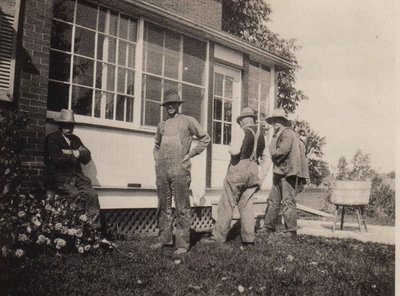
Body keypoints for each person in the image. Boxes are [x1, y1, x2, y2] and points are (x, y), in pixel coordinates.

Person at [151, 89, 210, 255]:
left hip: (180, 169)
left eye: (173, 104)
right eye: (167, 104)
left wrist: (190, 155)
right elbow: (156, 146)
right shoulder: (161, 125)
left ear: (178, 105)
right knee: (163, 205)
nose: (170, 107)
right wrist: (157, 160)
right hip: (162, 170)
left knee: (182, 206)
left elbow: (205, 138)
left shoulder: (188, 121)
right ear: (165, 106)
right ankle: (164, 239)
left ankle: (182, 244)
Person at [45, 109, 112, 246]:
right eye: (66, 125)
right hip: (60, 177)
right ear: (60, 125)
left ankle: (95, 232)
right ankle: (74, 232)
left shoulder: (75, 139)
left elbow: (87, 156)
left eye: (71, 125)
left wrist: (74, 153)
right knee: (74, 195)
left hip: (77, 176)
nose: (69, 128)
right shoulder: (52, 138)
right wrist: (74, 154)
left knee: (92, 195)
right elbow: (56, 159)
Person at [203, 107, 265, 246]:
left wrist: (230, 148)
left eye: (240, 121)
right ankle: (249, 239)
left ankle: (218, 237)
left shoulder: (241, 131)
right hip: (254, 168)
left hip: (239, 167)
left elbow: (235, 150)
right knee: (247, 205)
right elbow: (266, 158)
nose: (240, 124)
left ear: (243, 120)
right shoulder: (261, 135)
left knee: (227, 203)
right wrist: (262, 175)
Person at [263, 108, 309, 237]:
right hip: (280, 172)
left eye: (277, 121)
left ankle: (291, 230)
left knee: (288, 201)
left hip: (288, 173)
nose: (274, 124)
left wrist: (271, 147)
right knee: (273, 200)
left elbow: (280, 152)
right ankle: (268, 227)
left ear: (283, 122)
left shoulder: (287, 134)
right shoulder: (280, 134)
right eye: (273, 121)